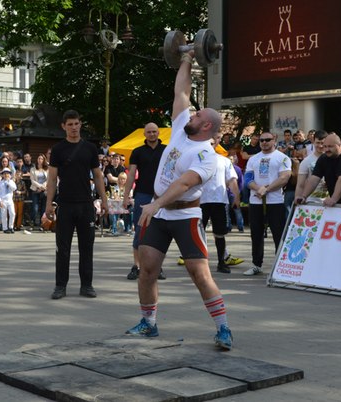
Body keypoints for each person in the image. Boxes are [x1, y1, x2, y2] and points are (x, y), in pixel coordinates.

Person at [124, 51, 233, 351]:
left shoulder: (207, 156)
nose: (191, 115)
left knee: (199, 274)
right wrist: (187, 57)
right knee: (147, 269)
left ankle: (223, 329)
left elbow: (184, 183)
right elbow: (181, 92)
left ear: (206, 126)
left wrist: (156, 204)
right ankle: (149, 323)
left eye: (197, 116)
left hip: (185, 216)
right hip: (159, 213)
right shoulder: (181, 131)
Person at [46, 110, 108, 300]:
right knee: (62, 248)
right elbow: (52, 178)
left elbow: (97, 175)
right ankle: (60, 286)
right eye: (70, 124)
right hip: (65, 204)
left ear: (80, 124)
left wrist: (104, 200)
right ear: (63, 126)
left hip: (86, 205)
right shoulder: (58, 149)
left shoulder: (90, 148)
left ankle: (87, 285)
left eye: (76, 123)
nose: (74, 127)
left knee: (86, 248)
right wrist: (49, 204)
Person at [122, 122, 167, 280]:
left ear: (158, 133)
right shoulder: (137, 151)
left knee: (160, 233)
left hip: (162, 196)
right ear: (144, 134)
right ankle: (137, 266)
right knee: (140, 231)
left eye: (154, 131)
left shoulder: (167, 150)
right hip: (142, 194)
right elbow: (131, 175)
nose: (152, 134)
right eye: (149, 132)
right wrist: (126, 196)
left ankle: (157, 267)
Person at [243, 132, 292, 276]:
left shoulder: (282, 158)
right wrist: (258, 188)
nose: (264, 142)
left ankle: (279, 266)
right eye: (262, 140)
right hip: (256, 200)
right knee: (256, 233)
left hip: (275, 201)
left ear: (274, 140)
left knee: (278, 233)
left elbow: (284, 178)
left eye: (267, 140)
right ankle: (256, 264)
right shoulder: (253, 159)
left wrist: (267, 189)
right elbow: (248, 178)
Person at [200, 135, 241, 274]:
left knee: (219, 234)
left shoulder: (224, 160)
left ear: (216, 143)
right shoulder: (196, 159)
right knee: (198, 233)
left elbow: (232, 180)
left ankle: (221, 262)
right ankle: (199, 263)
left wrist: (236, 197)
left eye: (212, 143)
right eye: (207, 143)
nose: (209, 145)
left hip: (219, 201)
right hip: (200, 201)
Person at [294, 130, 329, 204]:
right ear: (313, 142)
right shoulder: (306, 161)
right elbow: (300, 184)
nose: (320, 146)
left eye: (322, 143)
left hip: (330, 202)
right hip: (311, 201)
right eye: (318, 143)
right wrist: (297, 199)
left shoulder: (333, 160)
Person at [0, 168, 17, 233]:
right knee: (4, 214)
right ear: (2, 175)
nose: (6, 175)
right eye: (4, 174)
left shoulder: (11, 181)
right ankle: (5, 228)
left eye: (7, 173)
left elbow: (14, 188)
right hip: (3, 200)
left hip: (10, 200)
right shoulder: (0, 183)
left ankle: (11, 227)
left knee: (12, 213)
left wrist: (8, 183)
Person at [29, 154, 48, 228]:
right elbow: (32, 180)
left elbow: (48, 180)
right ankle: (32, 222)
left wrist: (43, 187)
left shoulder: (47, 169)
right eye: (39, 158)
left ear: (44, 160)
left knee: (43, 208)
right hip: (35, 190)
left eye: (41, 159)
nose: (40, 160)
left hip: (44, 190)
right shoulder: (32, 169)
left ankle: (42, 224)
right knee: (35, 208)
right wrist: (40, 187)